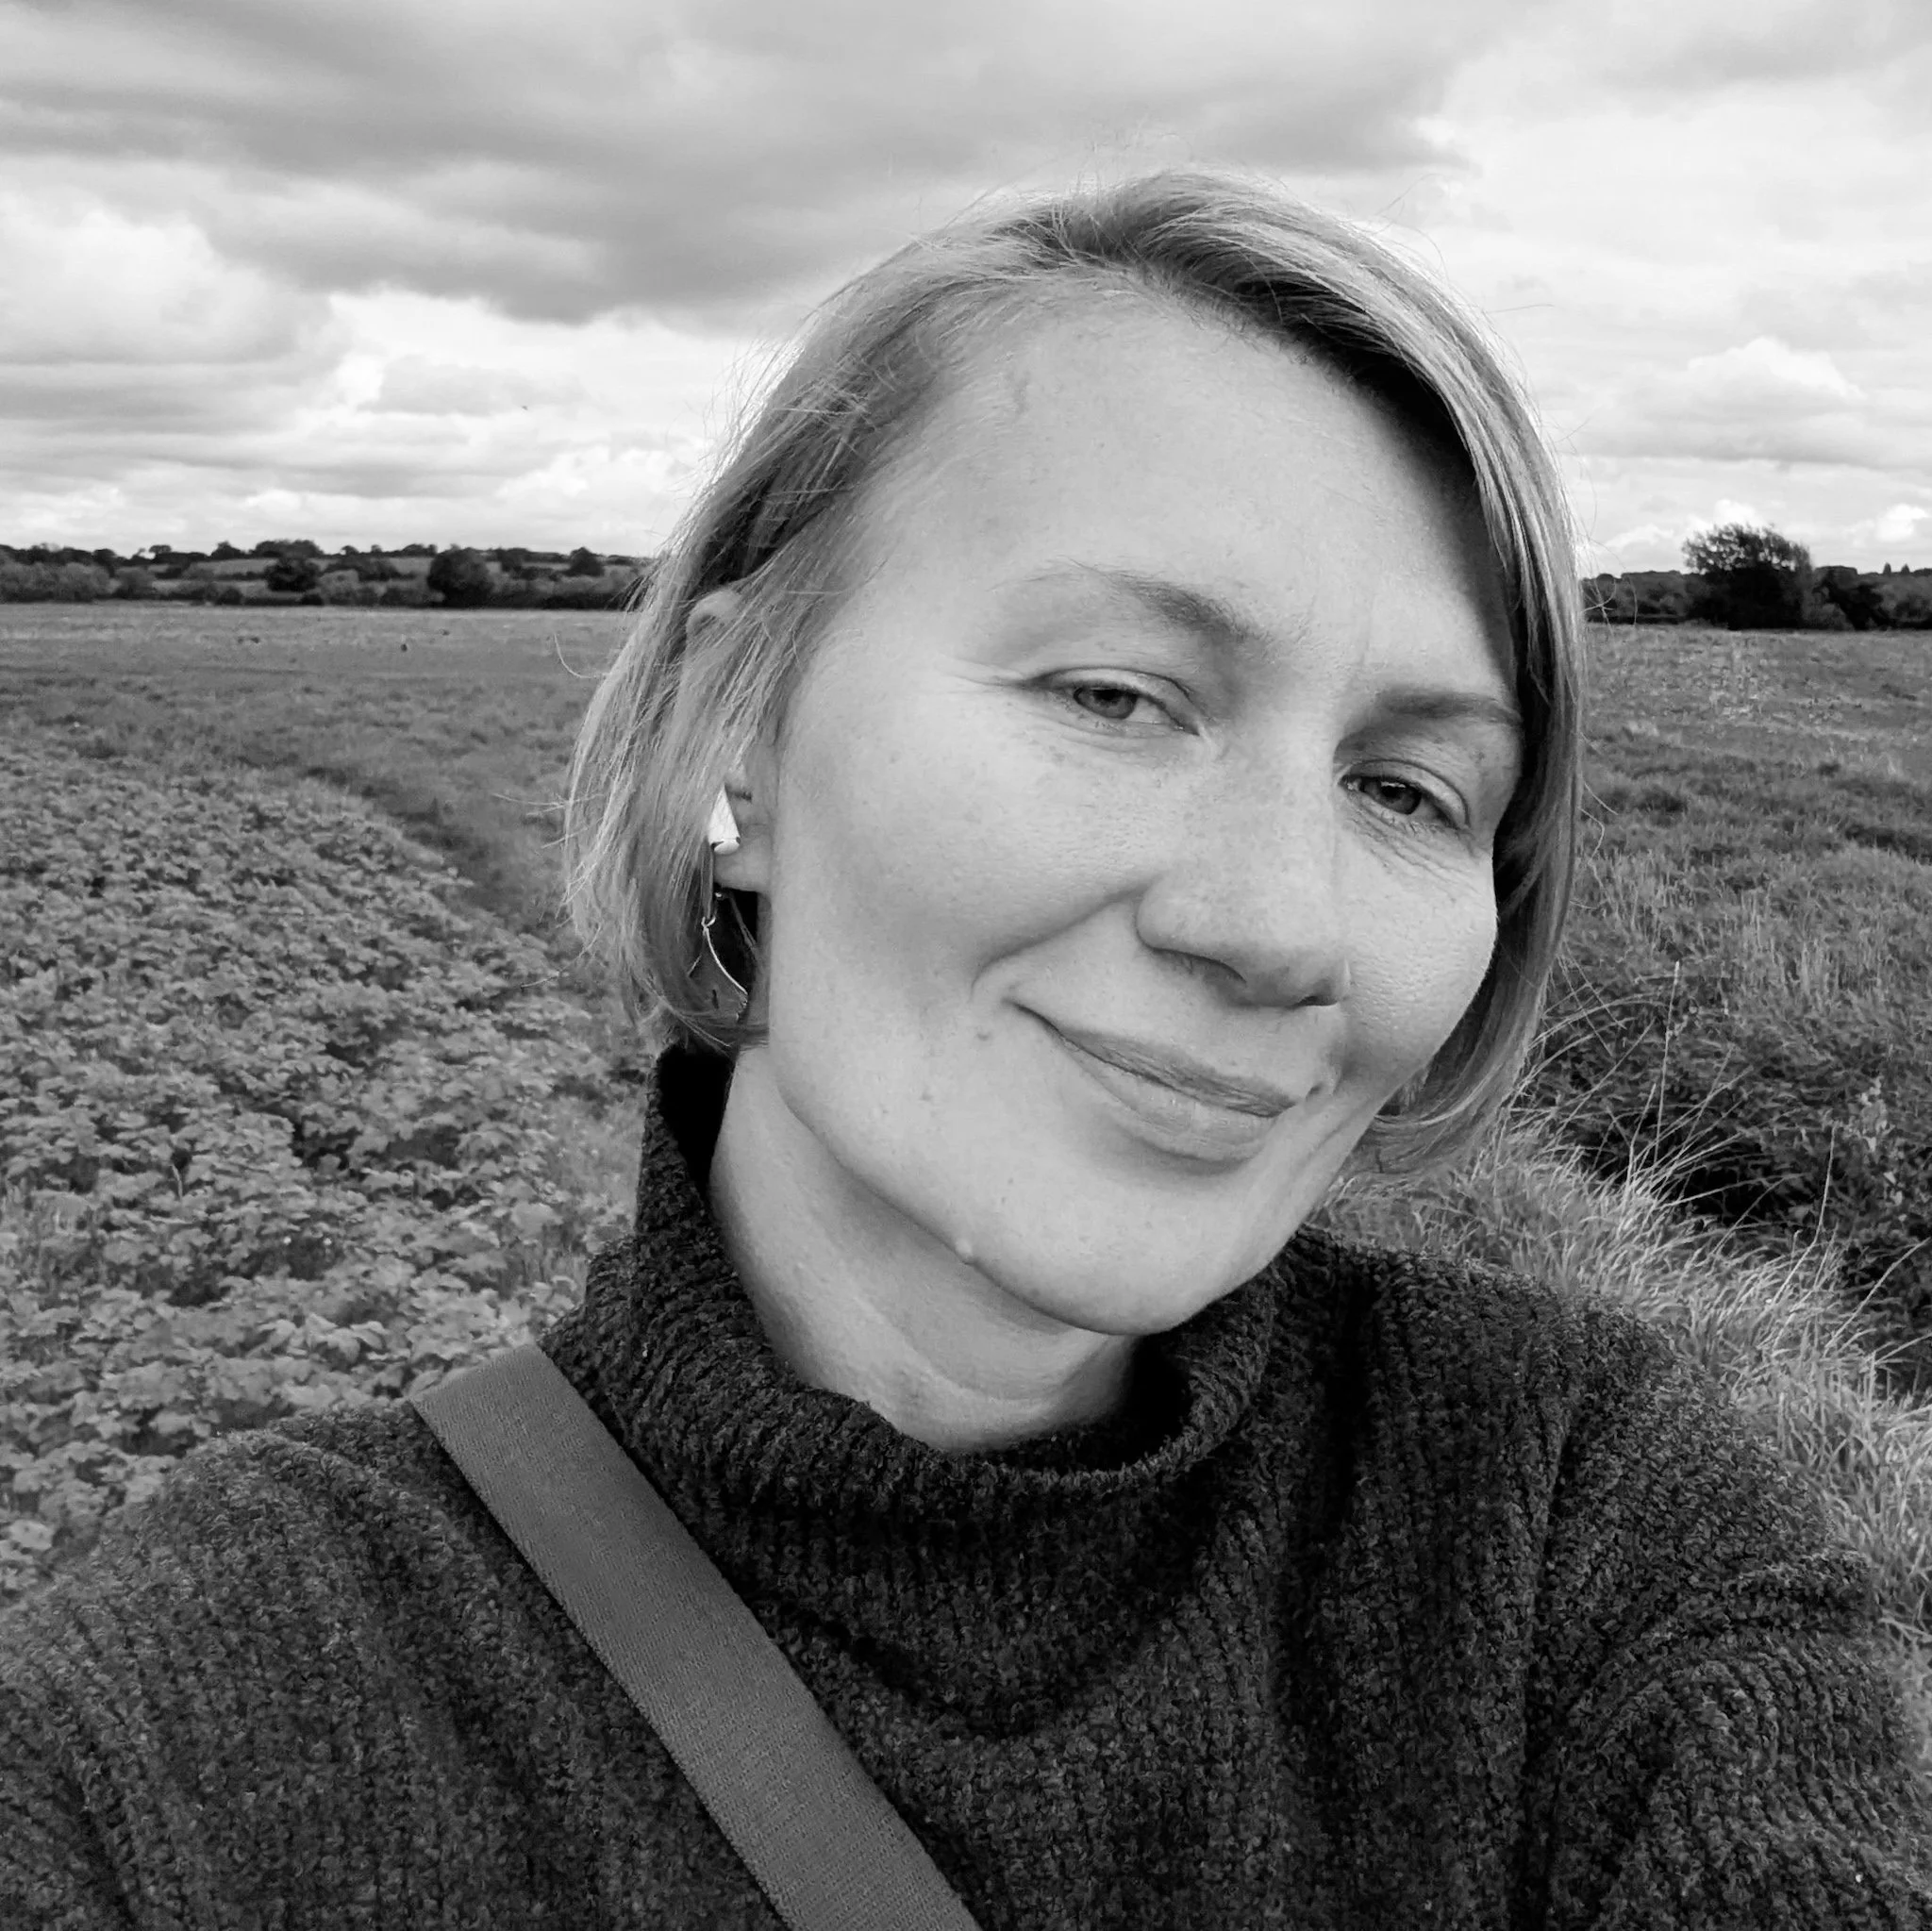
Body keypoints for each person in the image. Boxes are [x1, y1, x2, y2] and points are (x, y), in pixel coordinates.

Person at [4, 167, 1930, 1928]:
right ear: (735, 728)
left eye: (1411, 790)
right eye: (1113, 693)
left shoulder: (1581, 1524)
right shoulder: (160, 1750)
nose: (1276, 927)